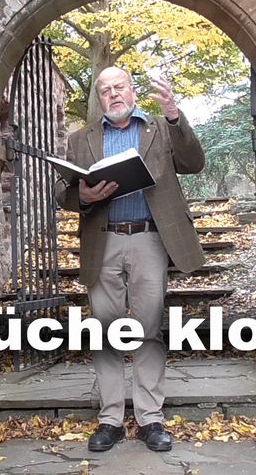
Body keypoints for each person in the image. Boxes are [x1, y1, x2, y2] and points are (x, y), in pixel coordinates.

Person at [53, 67, 206, 452]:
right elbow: (63, 189)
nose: (113, 94)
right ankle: (110, 420)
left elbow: (193, 162)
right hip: (102, 240)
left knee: (148, 329)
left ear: (132, 90)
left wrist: (174, 114)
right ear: (99, 97)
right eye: (105, 90)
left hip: (150, 238)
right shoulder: (81, 138)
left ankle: (150, 418)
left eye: (119, 86)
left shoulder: (160, 127)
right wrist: (81, 197)